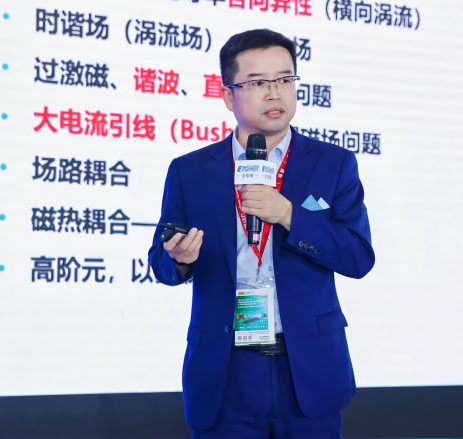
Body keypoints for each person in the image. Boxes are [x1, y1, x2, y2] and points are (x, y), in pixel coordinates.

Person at [148, 28, 375, 438]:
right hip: (226, 368)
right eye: (257, 82)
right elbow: (161, 263)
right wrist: (178, 259)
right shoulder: (190, 170)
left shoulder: (333, 163)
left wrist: (289, 215)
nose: (274, 93)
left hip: (306, 365)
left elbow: (358, 257)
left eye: (284, 79)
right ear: (228, 96)